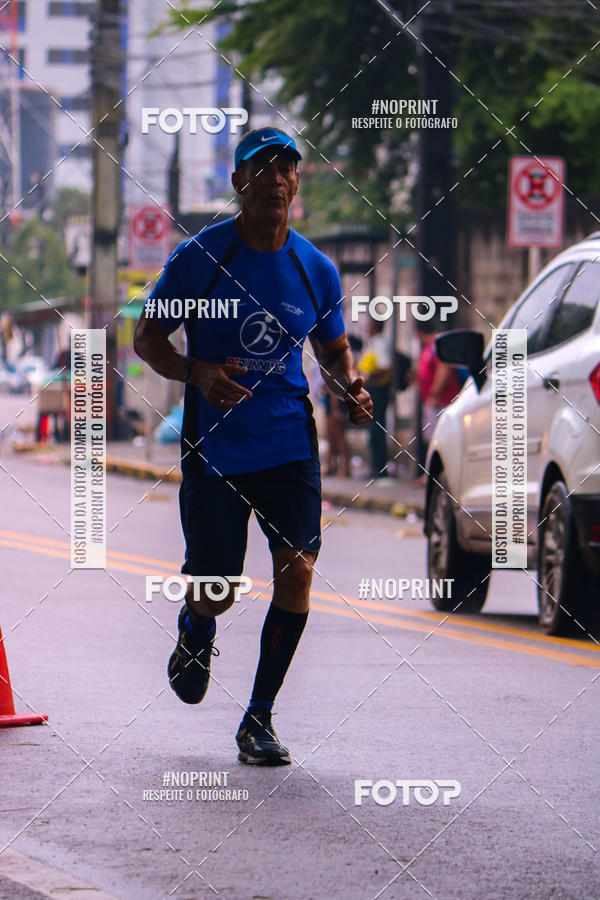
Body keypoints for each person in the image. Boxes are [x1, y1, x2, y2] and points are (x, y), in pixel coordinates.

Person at [133, 127, 372, 766]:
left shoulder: (313, 268)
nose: (274, 177)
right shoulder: (198, 259)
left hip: (288, 441)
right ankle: (196, 625)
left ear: (297, 183)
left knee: (297, 569)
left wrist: (350, 388)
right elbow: (147, 341)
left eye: (286, 167)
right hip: (215, 448)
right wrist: (198, 373)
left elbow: (333, 347)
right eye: (260, 167)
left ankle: (258, 718)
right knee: (217, 587)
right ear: (238, 182)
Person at [414, 320, 461, 483]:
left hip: (440, 401)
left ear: (418, 333)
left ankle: (435, 476)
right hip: (434, 400)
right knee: (432, 438)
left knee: (437, 438)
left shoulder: (436, 345)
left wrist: (434, 393)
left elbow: (444, 368)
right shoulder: (431, 347)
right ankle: (430, 475)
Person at [358, 319, 393, 478]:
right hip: (372, 390)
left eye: (368, 324)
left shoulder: (380, 344)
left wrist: (367, 377)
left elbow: (384, 367)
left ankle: (379, 469)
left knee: (377, 429)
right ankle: (375, 468)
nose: (366, 327)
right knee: (372, 430)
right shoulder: (372, 343)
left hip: (378, 390)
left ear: (374, 327)